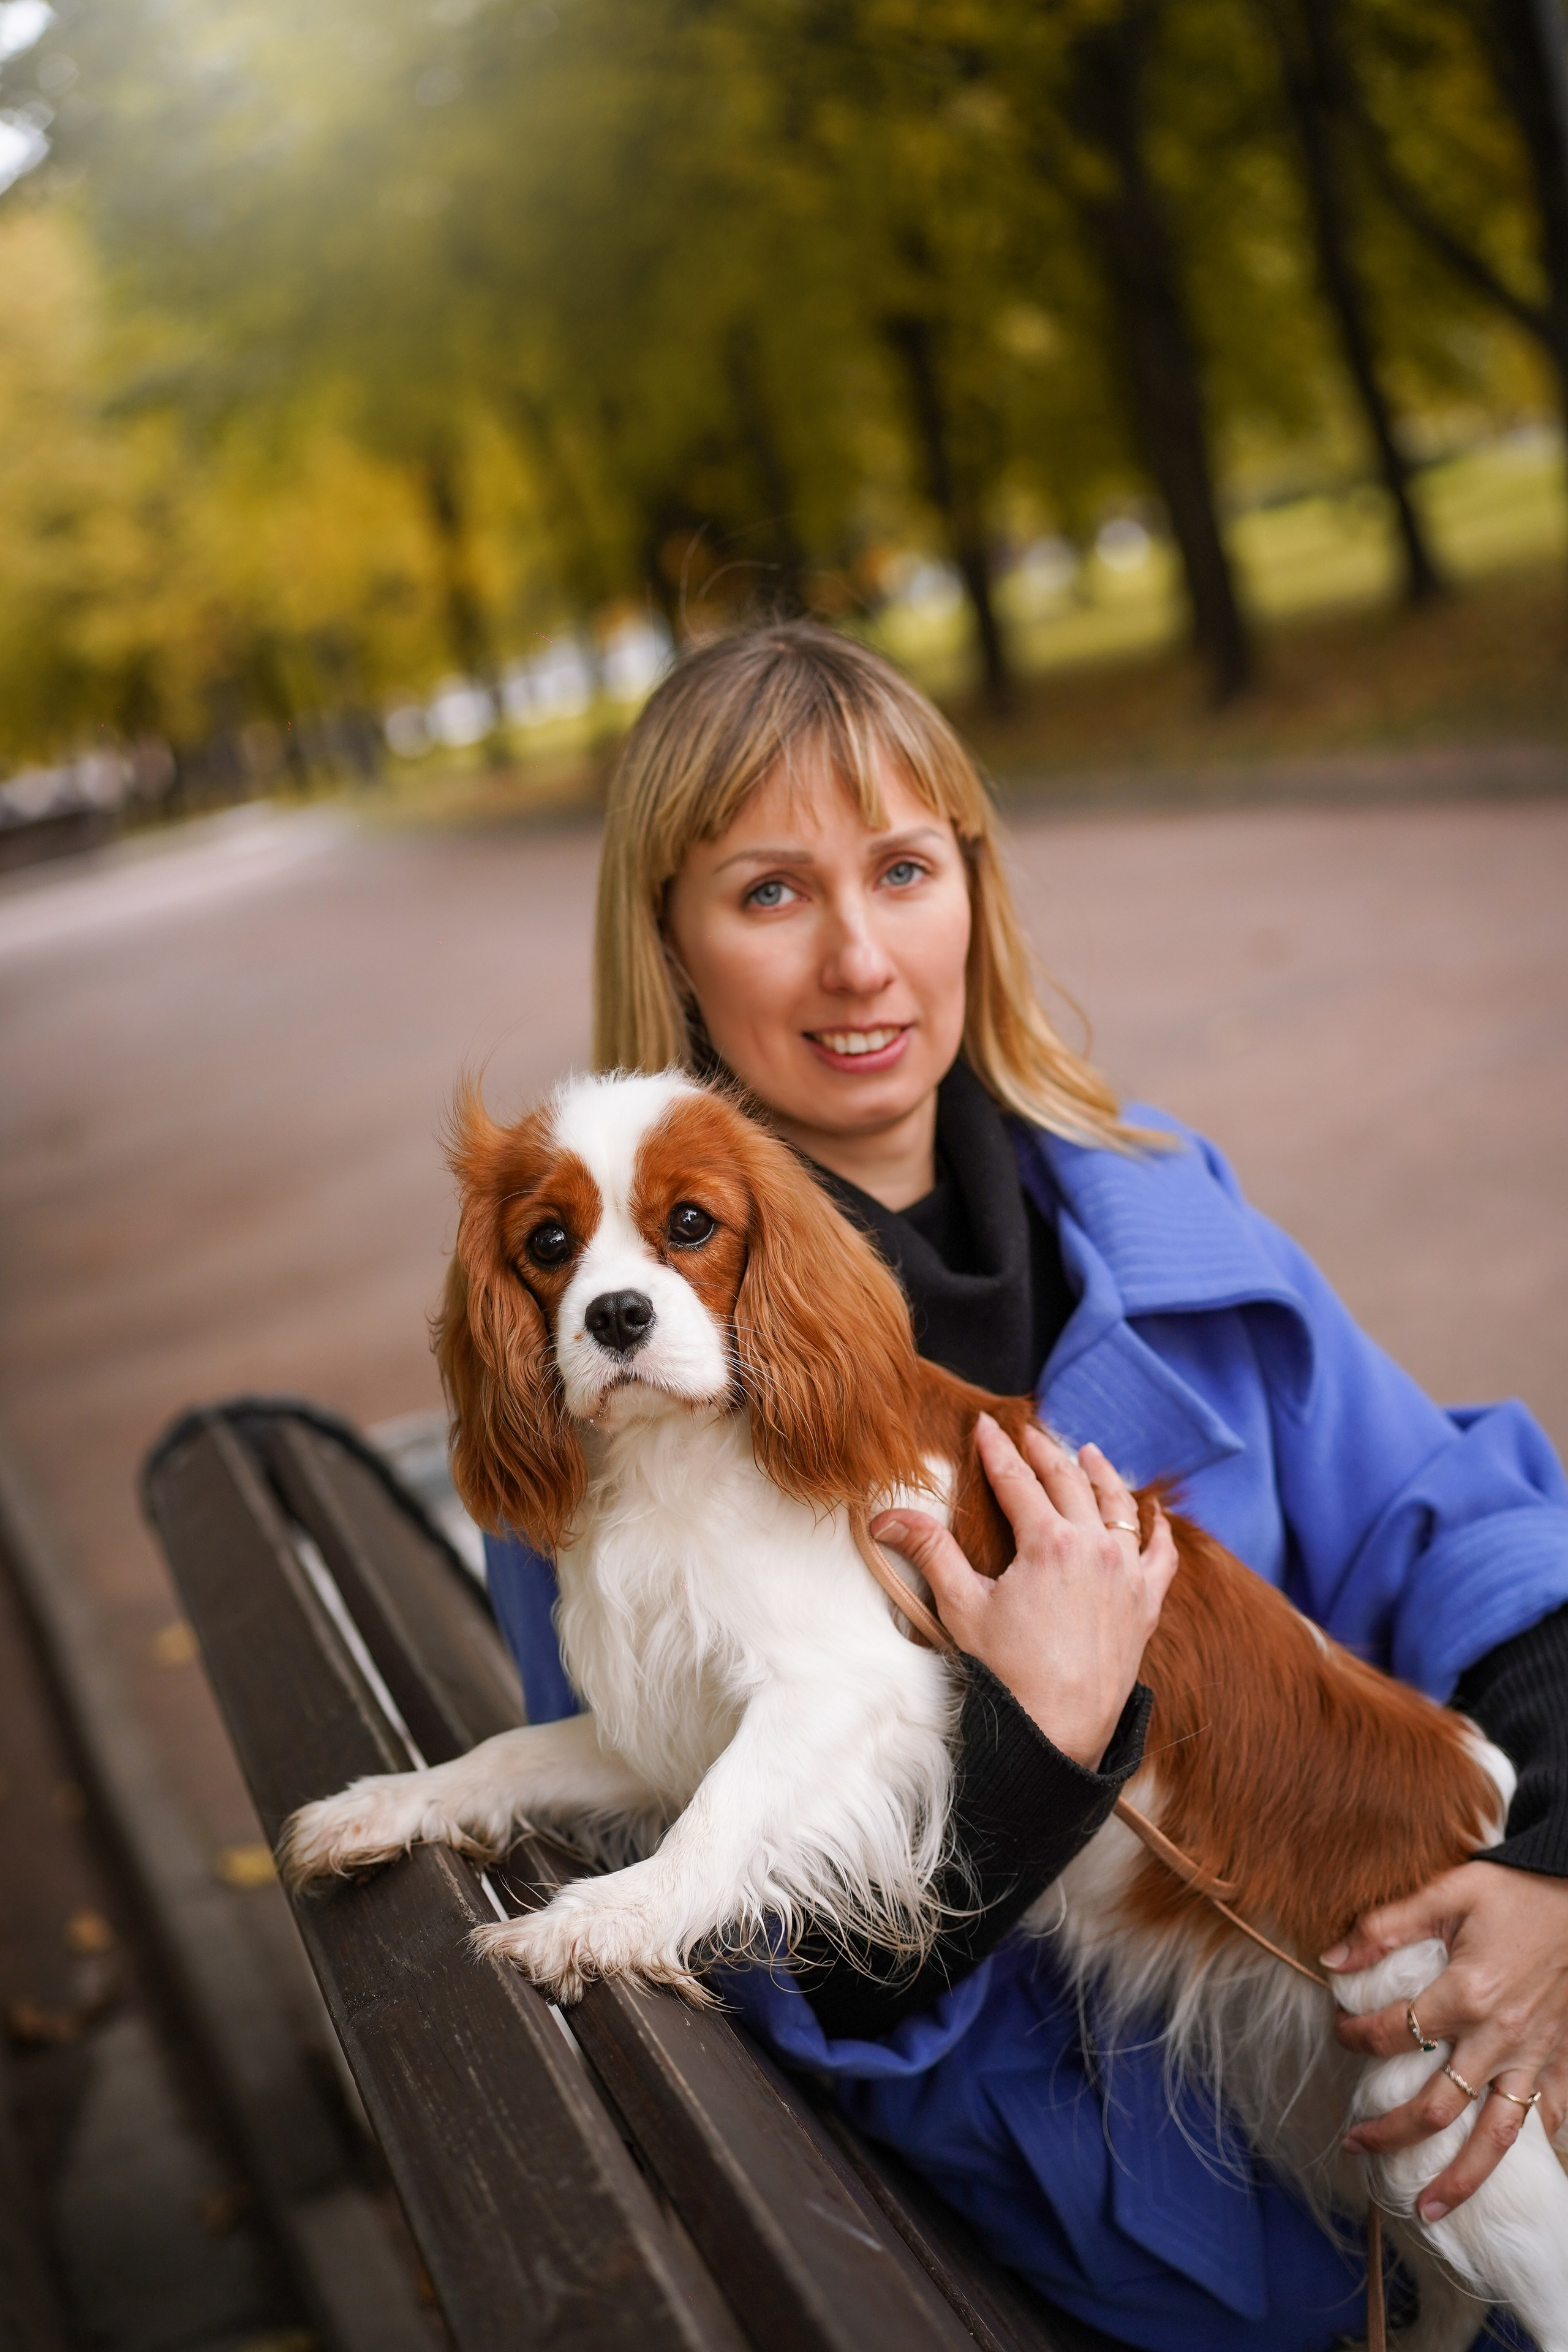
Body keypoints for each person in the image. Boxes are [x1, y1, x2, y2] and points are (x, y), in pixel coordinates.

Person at [482, 622, 1568, 2351]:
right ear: (674, 947)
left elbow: (1449, 1518)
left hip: (1408, 1977)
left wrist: (1552, 1861)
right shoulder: (623, 1390)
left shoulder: (1152, 1199)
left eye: (904, 869)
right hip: (1156, 2233)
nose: (859, 960)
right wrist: (1033, 1751)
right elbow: (774, 1959)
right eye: (770, 894)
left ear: (973, 890)